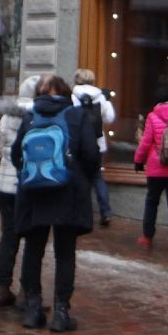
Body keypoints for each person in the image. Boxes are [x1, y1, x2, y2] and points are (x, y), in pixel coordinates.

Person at [10, 74, 99, 332]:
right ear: (65, 92)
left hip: (34, 192)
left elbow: (17, 154)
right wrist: (82, 177)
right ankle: (61, 313)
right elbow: (91, 155)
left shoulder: (30, 117)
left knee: (33, 250)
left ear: (39, 93)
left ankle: (33, 310)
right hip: (67, 191)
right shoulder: (76, 116)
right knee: (65, 252)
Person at [0, 74, 40, 308]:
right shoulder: (38, 115)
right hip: (28, 184)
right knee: (33, 239)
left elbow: (1, 145)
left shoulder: (8, 114)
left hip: (5, 183)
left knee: (8, 236)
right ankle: (27, 292)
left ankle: (0, 287)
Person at [132, 87, 168, 253]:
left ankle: (147, 236)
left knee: (151, 202)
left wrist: (138, 160)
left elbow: (146, 141)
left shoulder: (153, 115)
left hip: (157, 168)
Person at [71, 67, 115, 226]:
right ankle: (106, 212)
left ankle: (81, 213)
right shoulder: (101, 98)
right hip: (98, 144)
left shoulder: (73, 96)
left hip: (78, 144)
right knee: (97, 177)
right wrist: (107, 101)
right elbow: (110, 118)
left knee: (79, 177)